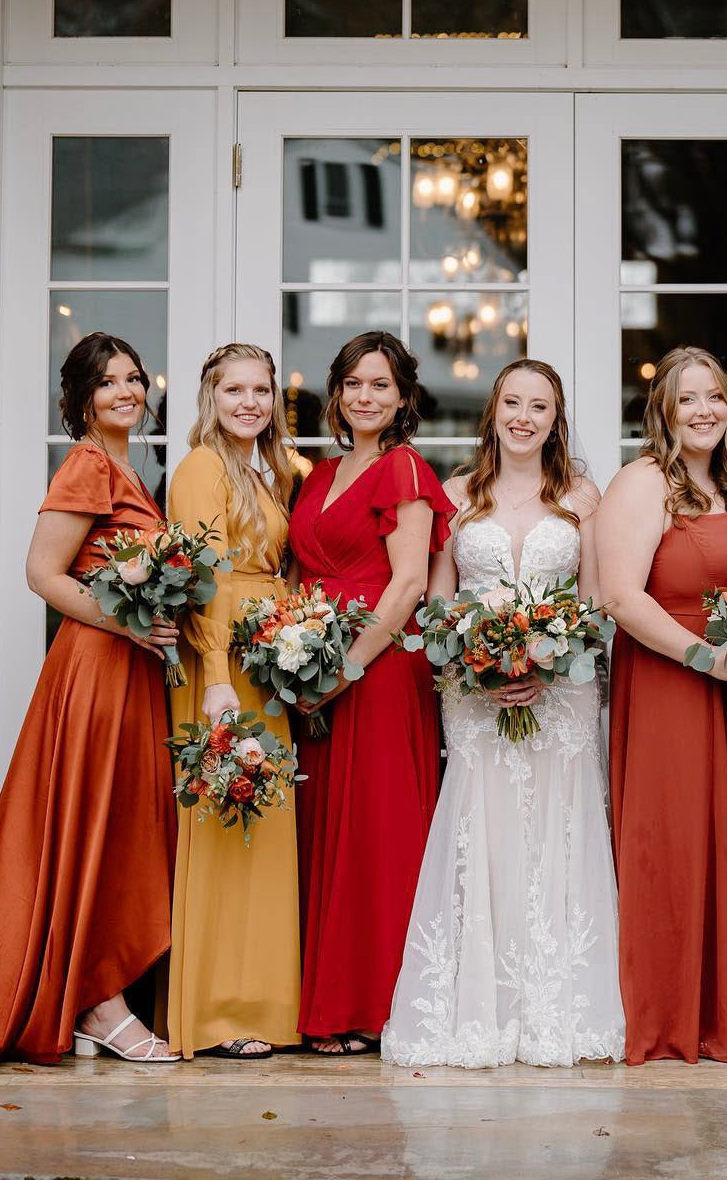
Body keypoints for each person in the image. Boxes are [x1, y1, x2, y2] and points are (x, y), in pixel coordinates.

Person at [0, 334, 178, 1068]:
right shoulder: (90, 463)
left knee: (117, 827)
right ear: (82, 398)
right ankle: (100, 1004)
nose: (127, 391)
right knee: (94, 825)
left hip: (128, 671)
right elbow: (43, 574)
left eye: (134, 378)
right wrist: (128, 620)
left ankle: (100, 999)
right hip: (96, 668)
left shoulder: (127, 465)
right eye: (108, 382)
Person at [384, 361, 624, 1068]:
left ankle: (557, 1010)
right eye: (512, 403)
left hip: (563, 693)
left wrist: (547, 664)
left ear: (557, 419)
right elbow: (434, 605)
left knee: (559, 827)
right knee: (481, 830)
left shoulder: (582, 497)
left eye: (539, 405)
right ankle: (478, 1008)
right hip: (473, 691)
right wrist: (477, 664)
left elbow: (597, 604)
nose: (524, 416)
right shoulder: (455, 494)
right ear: (493, 412)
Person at [599, 346, 727, 1064]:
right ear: (664, 412)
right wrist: (709, 658)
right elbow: (620, 596)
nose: (704, 411)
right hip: (674, 677)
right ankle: (670, 1011)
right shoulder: (642, 483)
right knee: (670, 841)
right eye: (688, 399)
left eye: (716, 398)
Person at [288, 331, 455, 1055]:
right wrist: (291, 655)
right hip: (316, 665)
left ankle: (380, 1005)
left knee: (378, 835)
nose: (365, 397)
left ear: (403, 398)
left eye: (380, 385)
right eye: (354, 384)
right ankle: (329, 998)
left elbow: (411, 584)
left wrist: (345, 669)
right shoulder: (318, 475)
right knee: (326, 828)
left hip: (378, 669)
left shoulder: (405, 469)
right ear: (336, 394)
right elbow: (299, 574)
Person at [164, 344, 304, 1059]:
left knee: (267, 826)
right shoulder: (201, 468)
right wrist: (216, 673)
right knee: (227, 821)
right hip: (222, 658)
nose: (248, 402)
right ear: (210, 397)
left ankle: (270, 1004)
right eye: (233, 390)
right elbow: (200, 574)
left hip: (271, 653)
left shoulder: (274, 470)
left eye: (261, 390)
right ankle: (218, 1012)